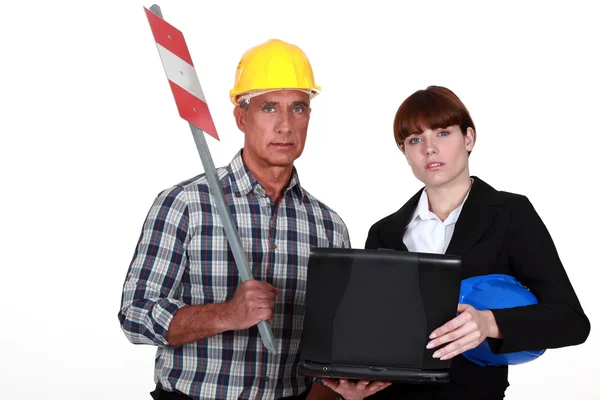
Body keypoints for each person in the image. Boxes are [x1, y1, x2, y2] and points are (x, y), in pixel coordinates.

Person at [118, 38, 388, 400]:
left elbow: (329, 348)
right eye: (269, 107)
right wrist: (225, 315)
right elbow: (135, 315)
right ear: (241, 117)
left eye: (298, 108)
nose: (285, 125)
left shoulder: (328, 227)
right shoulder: (185, 204)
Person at [363, 86, 590, 400]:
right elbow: (371, 332)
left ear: (468, 138)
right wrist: (355, 386)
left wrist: (489, 322)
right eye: (415, 140)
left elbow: (570, 321)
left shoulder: (511, 215)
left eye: (442, 133)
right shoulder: (384, 233)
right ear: (405, 152)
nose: (429, 149)